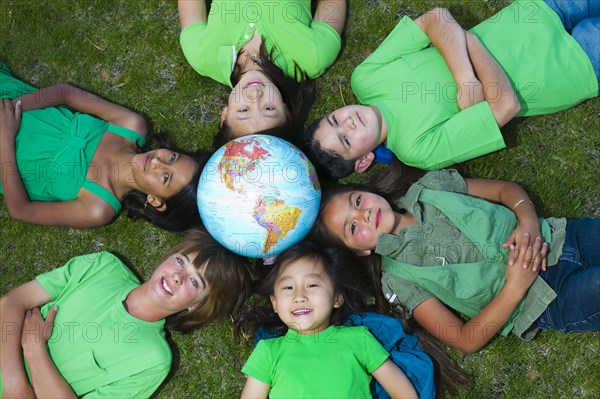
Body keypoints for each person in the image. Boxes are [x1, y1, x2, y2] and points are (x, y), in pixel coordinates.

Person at [299, 0, 599, 179]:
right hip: (572, 65)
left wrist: (467, 79)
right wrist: (465, 40)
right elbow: (506, 106)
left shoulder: (365, 78)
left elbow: (437, 17)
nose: (348, 123)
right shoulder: (417, 150)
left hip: (537, 11)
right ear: (364, 160)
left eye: (335, 120)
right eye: (347, 140)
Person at [310, 168, 600, 353]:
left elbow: (504, 190)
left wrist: (529, 222)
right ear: (360, 252)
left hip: (561, 236)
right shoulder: (399, 279)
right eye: (352, 227)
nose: (364, 215)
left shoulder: (432, 186)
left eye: (357, 201)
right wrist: (514, 289)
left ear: (367, 191)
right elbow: (464, 339)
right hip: (546, 301)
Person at [0, 230, 252, 399]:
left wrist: (35, 350)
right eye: (180, 261)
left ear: (197, 306)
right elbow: (11, 302)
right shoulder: (104, 266)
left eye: (195, 282)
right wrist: (15, 385)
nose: (178, 276)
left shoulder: (153, 360)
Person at [0, 62, 207, 231]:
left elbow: (22, 210)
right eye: (172, 158)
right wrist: (12, 108)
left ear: (156, 202)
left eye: (165, 177)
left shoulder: (98, 208)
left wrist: (5, 139)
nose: (157, 161)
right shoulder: (131, 126)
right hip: (11, 102)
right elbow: (66, 93)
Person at [238, 242, 422, 399]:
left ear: (337, 298)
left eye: (311, 285)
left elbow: (402, 392)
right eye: (288, 287)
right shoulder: (268, 352)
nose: (299, 296)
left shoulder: (359, 339)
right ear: (275, 303)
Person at [178, 0, 346, 146]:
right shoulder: (313, 56)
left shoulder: (202, 56)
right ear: (285, 110)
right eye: (268, 108)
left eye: (243, 111)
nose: (255, 96)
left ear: (224, 115)